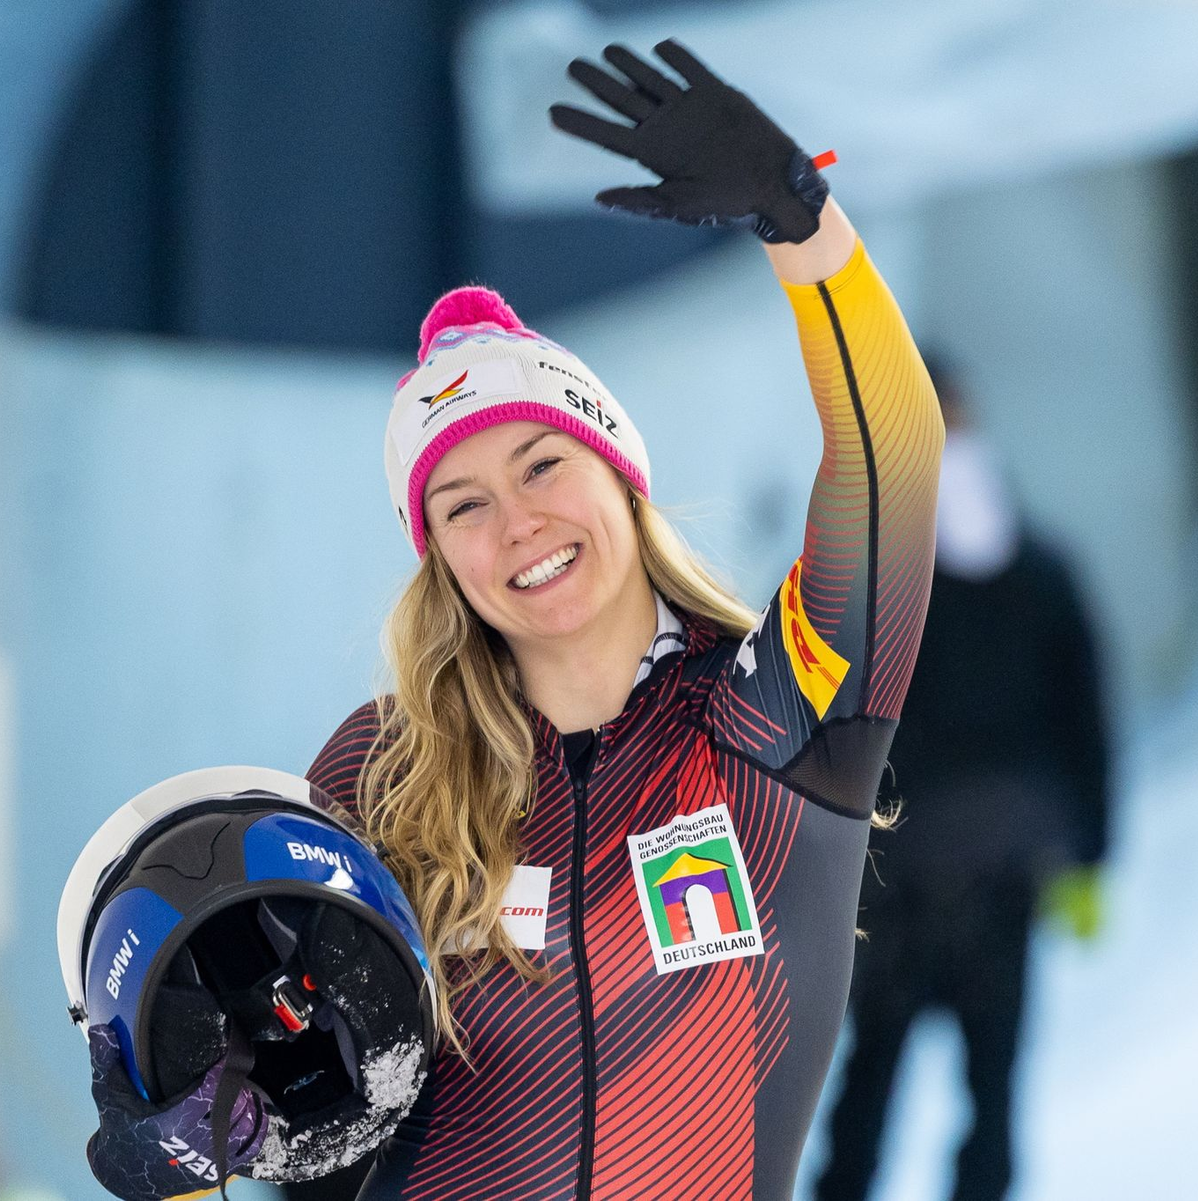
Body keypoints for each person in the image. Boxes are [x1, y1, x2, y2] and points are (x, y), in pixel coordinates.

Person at [300, 39, 943, 1201]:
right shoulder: (378, 774)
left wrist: (802, 223)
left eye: (545, 464)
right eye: (465, 505)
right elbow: (310, 1121)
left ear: (619, 476)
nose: (519, 524)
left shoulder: (775, 714)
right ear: (439, 557)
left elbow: (892, 467)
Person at [813, 360, 1110, 1201]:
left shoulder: (870, 570)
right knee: (981, 1092)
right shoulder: (1036, 565)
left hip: (905, 875)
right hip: (997, 865)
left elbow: (810, 714)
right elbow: (1084, 713)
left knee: (871, 1093)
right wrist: (1090, 848)